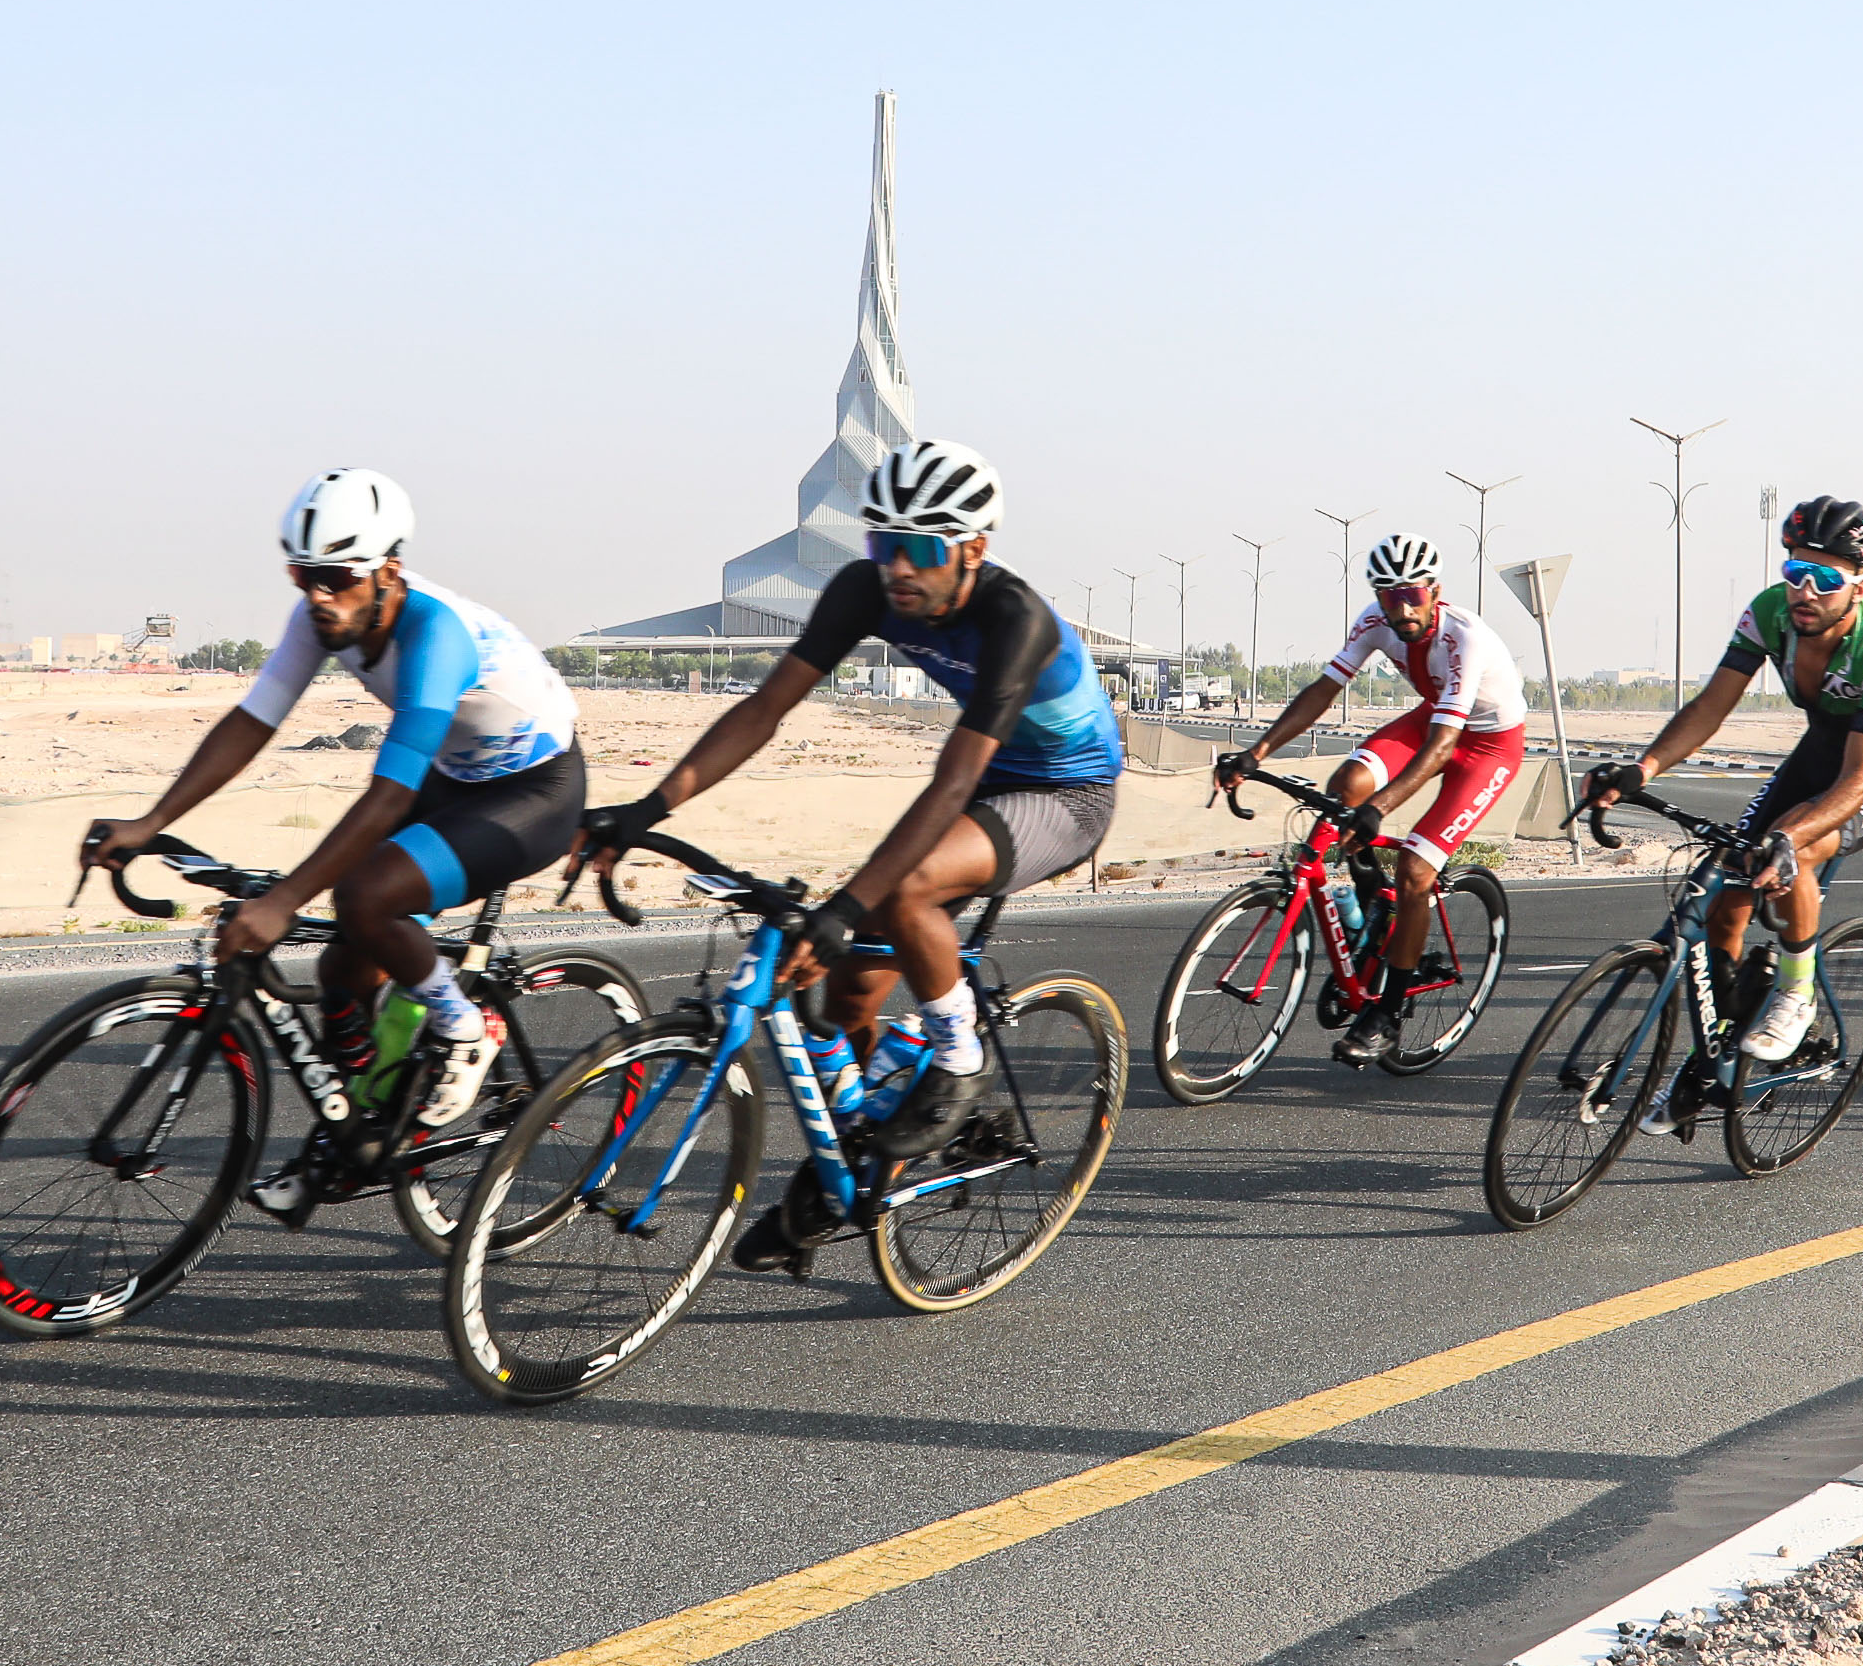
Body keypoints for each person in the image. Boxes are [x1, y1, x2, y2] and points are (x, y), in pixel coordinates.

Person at [582, 440, 1122, 1260]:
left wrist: (846, 907)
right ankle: (857, 1166)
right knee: (846, 1001)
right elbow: (765, 711)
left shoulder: (1018, 618)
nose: (897, 568)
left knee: (900, 894)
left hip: (1064, 792)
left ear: (972, 549)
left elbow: (948, 784)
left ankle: (958, 1054)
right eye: (881, 544)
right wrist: (648, 805)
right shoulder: (866, 590)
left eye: (921, 548)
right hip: (983, 783)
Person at [84, 468, 583, 1134]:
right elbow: (252, 722)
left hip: (535, 791)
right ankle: (361, 1126)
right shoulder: (320, 618)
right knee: (342, 963)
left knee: (364, 898)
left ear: (389, 571)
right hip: (455, 778)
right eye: (303, 575)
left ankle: (466, 1028)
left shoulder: (437, 637)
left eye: (340, 578)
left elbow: (385, 796)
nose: (322, 596)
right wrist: (152, 821)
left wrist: (284, 901)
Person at [1578, 494, 1863, 1098]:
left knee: (1798, 847)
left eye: (1825, 579)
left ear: (1860, 588)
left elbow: (1856, 779)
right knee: (1726, 894)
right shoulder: (1768, 613)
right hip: (1822, 745)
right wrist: (1642, 771)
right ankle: (1718, 1046)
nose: (1806, 592)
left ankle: (1796, 992)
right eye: (1795, 573)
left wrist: (1789, 839)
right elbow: (1710, 708)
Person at [1216, 532, 1533, 1062]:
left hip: (1488, 746)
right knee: (1345, 789)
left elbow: (1441, 749)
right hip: (1432, 722)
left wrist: (1381, 808)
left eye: (1412, 594)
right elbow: (1324, 690)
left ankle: (1385, 1012)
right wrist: (1258, 752)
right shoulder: (1373, 621)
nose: (1402, 607)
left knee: (1413, 868)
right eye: (1390, 596)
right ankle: (1372, 911)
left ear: (1435, 592)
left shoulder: (1464, 638)